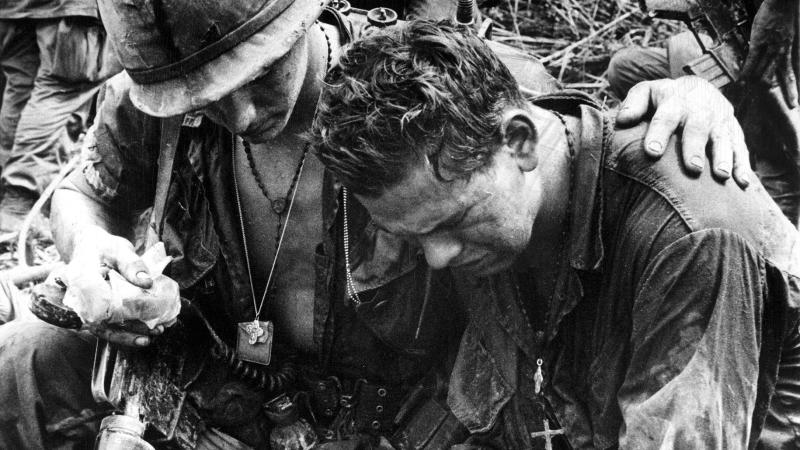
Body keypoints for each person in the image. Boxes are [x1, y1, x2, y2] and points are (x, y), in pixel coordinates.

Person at [0, 0, 753, 448]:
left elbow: (561, 163)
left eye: (259, 78)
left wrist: (691, 98)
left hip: (396, 424)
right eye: (204, 102)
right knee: (23, 361)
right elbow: (82, 195)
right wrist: (93, 250)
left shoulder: (416, 90)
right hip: (215, 383)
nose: (243, 117)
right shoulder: (155, 102)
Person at [311, 20, 800, 448]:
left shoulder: (686, 234)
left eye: (450, 224)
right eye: (415, 238)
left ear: (520, 142)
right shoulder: (481, 194)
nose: (437, 258)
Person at [608, 0, 800, 225]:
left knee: (781, 151)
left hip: (776, 37)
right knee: (623, 67)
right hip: (730, 37)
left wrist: (780, 9)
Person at [0, 0, 120, 233]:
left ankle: (8, 199)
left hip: (13, 8)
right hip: (65, 8)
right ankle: (19, 200)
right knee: (62, 90)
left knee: (21, 91)